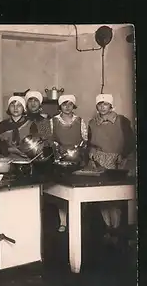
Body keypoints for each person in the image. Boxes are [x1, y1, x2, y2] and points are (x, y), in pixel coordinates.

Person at [87, 93, 135, 244]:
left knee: (115, 198)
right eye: (100, 104)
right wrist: (92, 155)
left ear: (111, 106)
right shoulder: (92, 123)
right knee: (102, 197)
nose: (102, 107)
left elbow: (130, 142)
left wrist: (124, 156)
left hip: (118, 161)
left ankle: (116, 229)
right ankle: (107, 229)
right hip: (100, 161)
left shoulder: (122, 121)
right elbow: (89, 143)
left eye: (105, 104)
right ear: (97, 107)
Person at [50, 94, 88, 232]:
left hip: (77, 161)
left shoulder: (80, 121)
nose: (67, 106)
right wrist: (57, 148)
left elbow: (85, 139)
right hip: (60, 161)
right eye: (64, 104)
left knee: (78, 192)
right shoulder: (52, 121)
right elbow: (49, 139)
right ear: (60, 106)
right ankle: (63, 222)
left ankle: (77, 222)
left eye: (70, 104)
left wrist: (79, 148)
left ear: (74, 106)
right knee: (63, 192)